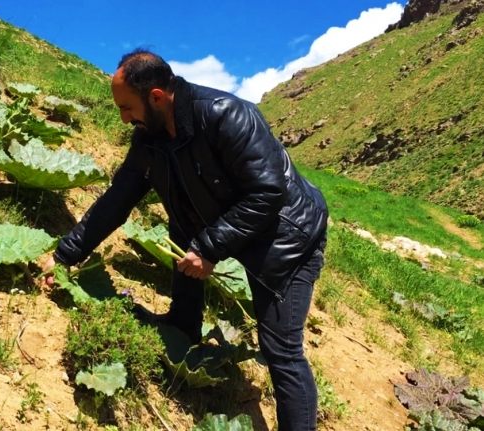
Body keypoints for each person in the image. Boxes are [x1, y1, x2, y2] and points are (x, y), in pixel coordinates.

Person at [43, 49, 328, 431]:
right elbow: (117, 200)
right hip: (225, 220)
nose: (124, 119)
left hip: (287, 236)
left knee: (281, 349)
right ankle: (183, 328)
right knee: (183, 231)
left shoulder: (227, 115)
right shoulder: (149, 139)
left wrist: (209, 247)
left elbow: (268, 193)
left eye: (127, 108)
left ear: (157, 97)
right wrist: (64, 256)